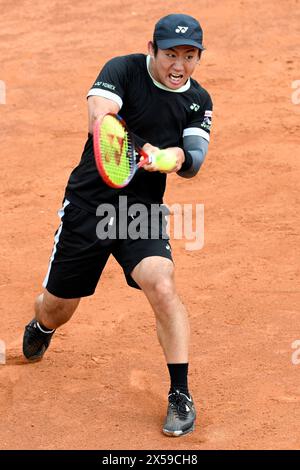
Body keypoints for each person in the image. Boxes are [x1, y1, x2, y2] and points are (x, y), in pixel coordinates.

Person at [22, 13, 213, 437]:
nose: (178, 64)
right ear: (152, 49)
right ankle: (42, 326)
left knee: (162, 285)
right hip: (89, 205)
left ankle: (179, 393)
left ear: (199, 57)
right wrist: (131, 142)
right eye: (169, 54)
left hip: (140, 211)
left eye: (188, 55)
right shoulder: (122, 70)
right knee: (57, 306)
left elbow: (194, 157)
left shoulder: (198, 100)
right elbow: (101, 114)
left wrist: (173, 158)